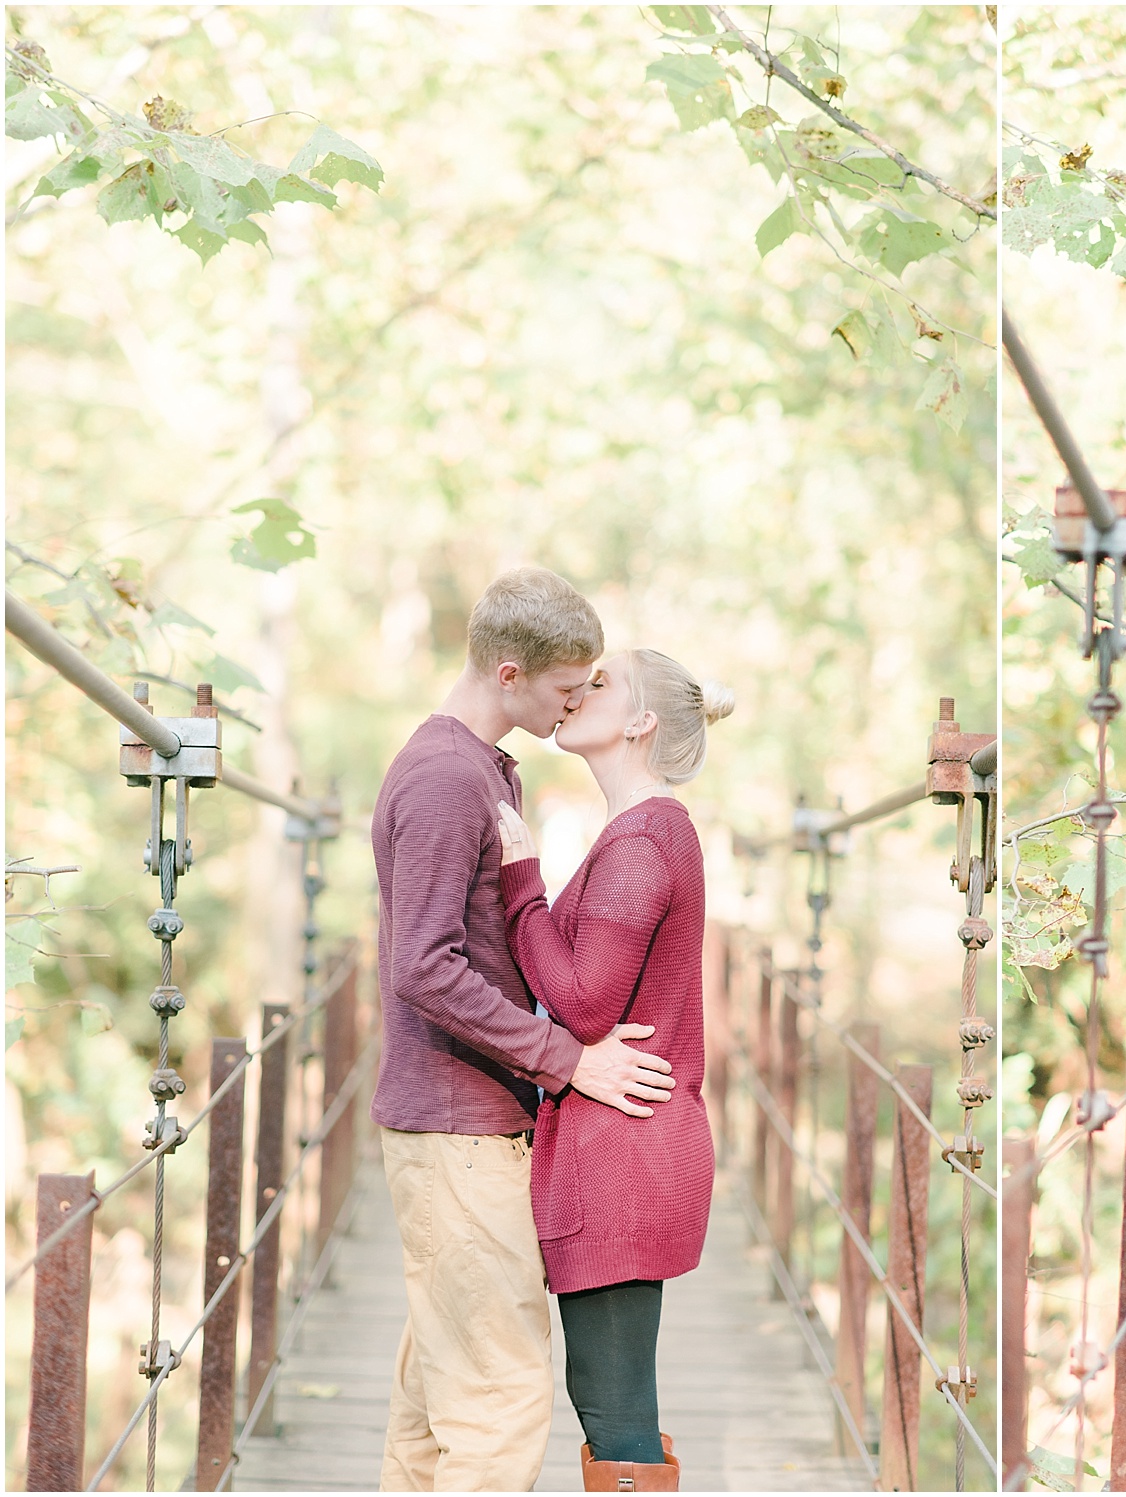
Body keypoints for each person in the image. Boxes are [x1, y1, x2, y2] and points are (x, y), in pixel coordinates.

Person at [372, 568, 677, 1491]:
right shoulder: (444, 780)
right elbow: (420, 966)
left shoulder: (480, 769)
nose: (577, 701)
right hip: (455, 1128)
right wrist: (568, 1059)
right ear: (510, 673)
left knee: (433, 1416)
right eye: (565, 686)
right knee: (502, 1403)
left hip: (470, 1126)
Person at [494, 648, 733, 1491]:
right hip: (626, 1144)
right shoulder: (646, 830)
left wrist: (520, 884)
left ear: (640, 722)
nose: (578, 691)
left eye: (601, 682)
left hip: (622, 1154)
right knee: (612, 1396)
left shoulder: (643, 840)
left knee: (614, 1403)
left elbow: (587, 1006)